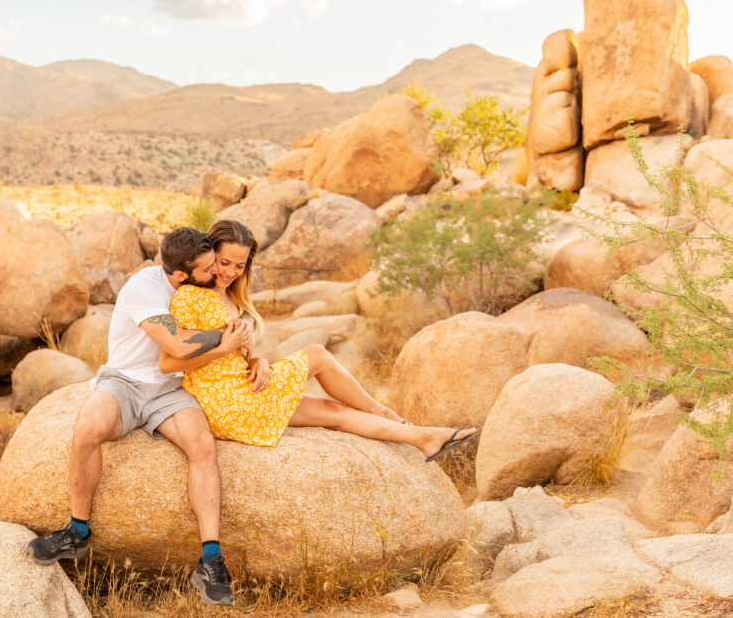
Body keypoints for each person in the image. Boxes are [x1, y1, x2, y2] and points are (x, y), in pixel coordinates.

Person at [27, 227, 252, 607]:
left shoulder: (202, 287)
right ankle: (76, 532)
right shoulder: (145, 289)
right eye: (210, 266)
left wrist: (251, 349)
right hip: (125, 383)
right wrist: (225, 337)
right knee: (87, 429)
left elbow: (238, 319)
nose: (218, 271)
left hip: (171, 389)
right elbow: (178, 344)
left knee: (204, 448)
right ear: (181, 274)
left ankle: (211, 559)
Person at [160, 219, 481, 456]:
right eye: (224, 262)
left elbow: (230, 353)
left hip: (243, 390)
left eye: (240, 266)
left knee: (333, 412)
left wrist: (258, 360)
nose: (230, 272)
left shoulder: (232, 300)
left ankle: (422, 438)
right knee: (316, 354)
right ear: (209, 253)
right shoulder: (191, 297)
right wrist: (225, 346)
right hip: (225, 402)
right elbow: (175, 360)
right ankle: (386, 414)